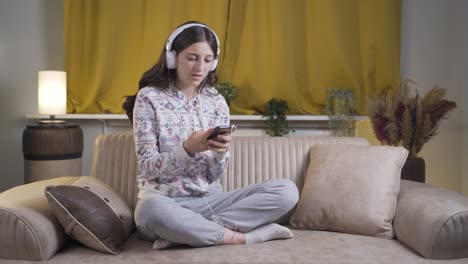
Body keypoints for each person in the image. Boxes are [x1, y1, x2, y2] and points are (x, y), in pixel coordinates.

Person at [123, 21, 299, 249]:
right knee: (149, 211)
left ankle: (188, 233)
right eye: (192, 57)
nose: (200, 68)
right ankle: (241, 237)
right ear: (172, 57)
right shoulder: (149, 98)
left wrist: (221, 152)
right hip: (165, 202)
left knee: (286, 191)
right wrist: (188, 149)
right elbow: (148, 168)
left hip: (212, 201)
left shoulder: (216, 101)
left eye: (208, 60)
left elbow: (215, 175)